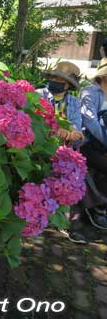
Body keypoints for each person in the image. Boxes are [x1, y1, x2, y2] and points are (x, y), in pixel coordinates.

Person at [73, 58, 107, 242]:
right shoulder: (90, 92)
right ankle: (95, 208)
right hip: (87, 143)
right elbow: (90, 122)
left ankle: (97, 206)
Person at [37, 61, 84, 145]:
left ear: (69, 84)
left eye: (60, 79)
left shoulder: (74, 102)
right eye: (53, 77)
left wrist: (72, 133)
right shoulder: (38, 95)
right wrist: (56, 130)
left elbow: (76, 125)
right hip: (40, 145)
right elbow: (36, 122)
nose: (55, 80)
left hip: (62, 147)